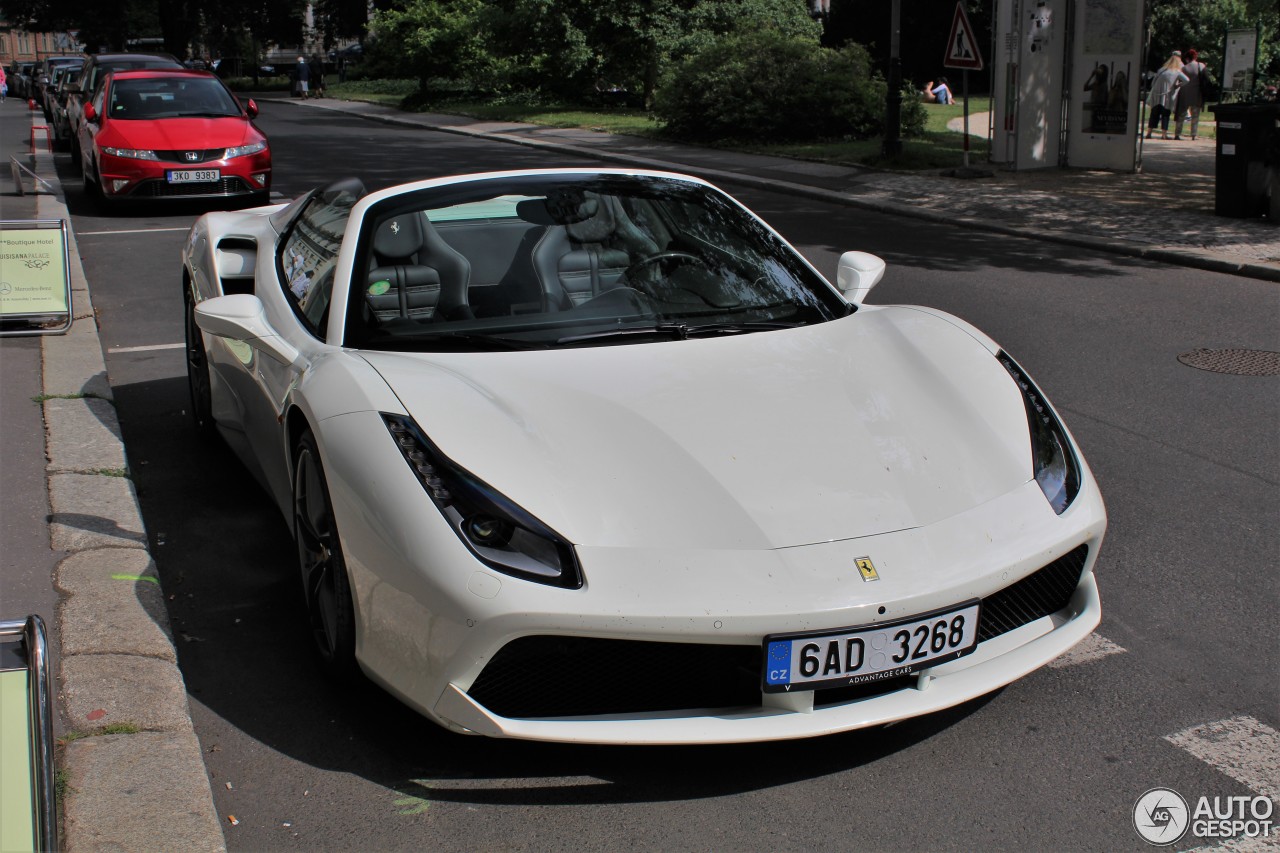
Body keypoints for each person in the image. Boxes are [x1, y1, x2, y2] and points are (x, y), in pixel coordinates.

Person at [1145, 52, 1187, 140]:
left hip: (1156, 94)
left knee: (1154, 113)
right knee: (1165, 114)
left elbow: (1153, 82)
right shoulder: (1177, 72)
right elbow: (1187, 80)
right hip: (1167, 95)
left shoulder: (1161, 70)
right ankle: (1164, 134)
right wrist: (1178, 85)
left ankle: (1149, 132)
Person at [1175, 48, 1209, 140]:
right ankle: (1193, 134)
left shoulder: (1184, 68)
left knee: (1181, 115)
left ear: (1187, 58)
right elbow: (1206, 80)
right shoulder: (1201, 66)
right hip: (1197, 94)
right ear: (1195, 57)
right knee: (1195, 116)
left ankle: (1177, 133)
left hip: (1184, 93)